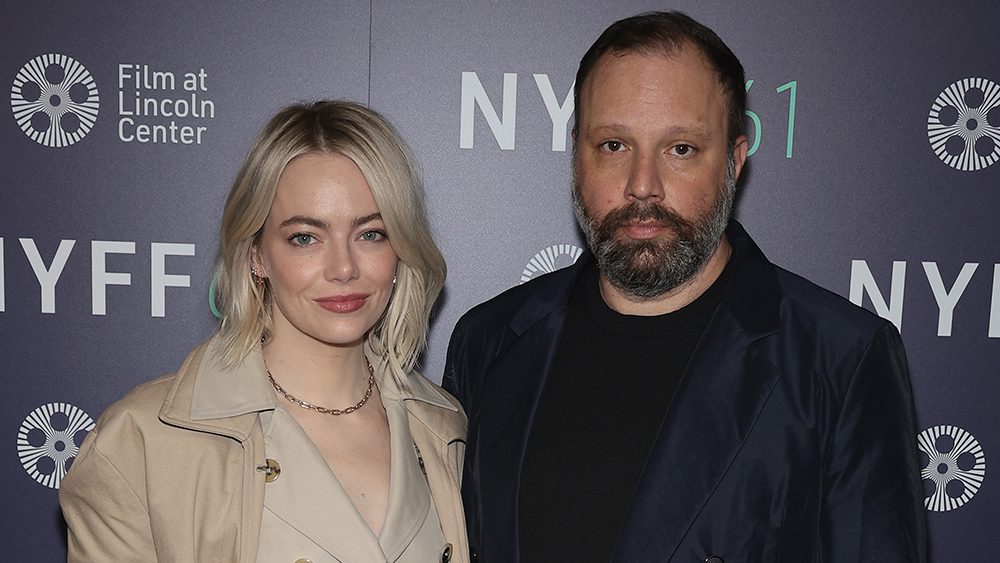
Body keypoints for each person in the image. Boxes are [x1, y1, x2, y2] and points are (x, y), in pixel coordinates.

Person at [443, 11, 925, 563]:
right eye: (614, 145)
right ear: (577, 153)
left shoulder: (840, 357)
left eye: (681, 149)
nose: (642, 186)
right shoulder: (490, 340)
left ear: (735, 161)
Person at [60, 101, 468, 563]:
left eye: (371, 233)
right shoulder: (143, 443)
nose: (344, 268)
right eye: (305, 238)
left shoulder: (441, 429)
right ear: (256, 254)